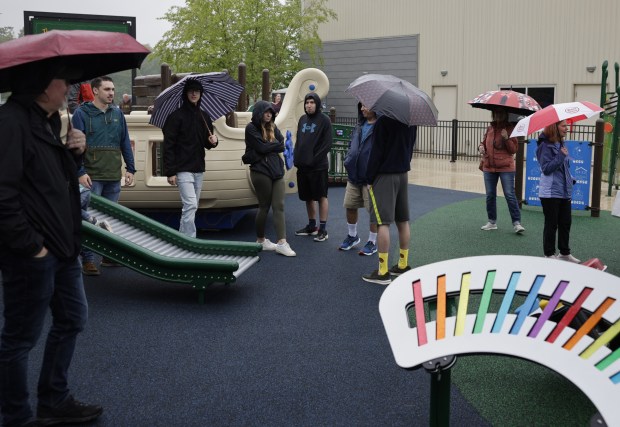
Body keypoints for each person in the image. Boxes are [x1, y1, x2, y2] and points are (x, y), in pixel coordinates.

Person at [0, 64, 103, 427]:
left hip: (63, 248)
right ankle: (16, 416)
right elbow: (3, 195)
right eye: (63, 81)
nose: (69, 87)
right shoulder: (10, 123)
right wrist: (32, 247)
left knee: (72, 319)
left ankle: (53, 399)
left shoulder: (46, 121)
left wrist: (74, 153)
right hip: (33, 255)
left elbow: (50, 183)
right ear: (43, 87)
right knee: (19, 339)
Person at [72, 76, 136, 274]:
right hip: (90, 176)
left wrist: (131, 169)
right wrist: (80, 172)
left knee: (110, 218)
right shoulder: (81, 113)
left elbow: (125, 142)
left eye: (113, 89)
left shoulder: (118, 114)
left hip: (112, 174)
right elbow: (75, 147)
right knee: (90, 219)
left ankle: (108, 256)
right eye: (107, 89)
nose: (111, 93)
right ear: (95, 91)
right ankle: (88, 259)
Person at [362, 115, 417, 285]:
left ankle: (383, 271)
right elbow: (410, 148)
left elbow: (376, 152)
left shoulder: (383, 122)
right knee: (402, 220)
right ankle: (402, 264)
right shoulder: (410, 120)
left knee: (382, 222)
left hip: (385, 175)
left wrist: (369, 178)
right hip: (402, 173)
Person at [162, 79, 219, 238]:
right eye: (191, 91)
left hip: (199, 168)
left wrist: (214, 142)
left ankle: (182, 239)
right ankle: (190, 241)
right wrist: (170, 172)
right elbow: (168, 145)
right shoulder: (175, 117)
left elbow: (207, 144)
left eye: (197, 91)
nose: (194, 94)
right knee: (191, 204)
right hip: (182, 169)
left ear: (201, 94)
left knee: (191, 206)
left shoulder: (204, 116)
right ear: (185, 93)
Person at [244, 100, 296, 256]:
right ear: (259, 112)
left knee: (279, 205)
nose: (269, 114)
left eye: (271, 112)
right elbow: (263, 147)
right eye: (266, 112)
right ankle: (261, 240)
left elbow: (281, 143)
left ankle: (282, 242)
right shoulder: (251, 128)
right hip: (260, 171)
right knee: (264, 206)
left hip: (276, 171)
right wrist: (273, 146)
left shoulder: (273, 127)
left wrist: (269, 146)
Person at [536, 120, 580, 262]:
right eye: (564, 126)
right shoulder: (544, 146)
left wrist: (570, 178)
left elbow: (563, 168)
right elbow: (547, 169)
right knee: (551, 223)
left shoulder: (560, 144)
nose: (567, 129)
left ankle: (564, 253)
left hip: (564, 190)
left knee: (565, 222)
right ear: (554, 127)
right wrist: (561, 156)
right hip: (550, 192)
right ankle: (549, 254)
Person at [293, 92, 333, 242]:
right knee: (308, 197)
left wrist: (313, 160)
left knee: (321, 196)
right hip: (303, 166)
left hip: (318, 167)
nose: (308, 105)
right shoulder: (302, 119)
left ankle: (323, 229)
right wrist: (297, 158)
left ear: (317, 104)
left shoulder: (325, 120)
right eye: (307, 102)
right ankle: (312, 226)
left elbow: (327, 144)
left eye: (311, 102)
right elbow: (299, 141)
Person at [340, 103, 378, 255]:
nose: (362, 109)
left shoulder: (380, 128)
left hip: (370, 177)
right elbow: (352, 144)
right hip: (354, 174)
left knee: (373, 212)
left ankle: (372, 241)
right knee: (350, 205)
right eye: (360, 106)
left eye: (365, 105)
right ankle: (352, 236)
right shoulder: (359, 125)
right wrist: (349, 157)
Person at [479, 108, 525, 233]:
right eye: (496, 113)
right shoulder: (490, 128)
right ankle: (492, 222)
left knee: (510, 195)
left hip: (506, 167)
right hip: (489, 166)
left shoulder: (510, 129)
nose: (497, 115)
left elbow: (513, 149)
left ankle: (517, 223)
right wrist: (481, 147)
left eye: (500, 113)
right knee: (490, 195)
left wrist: (506, 138)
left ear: (505, 115)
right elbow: (483, 142)